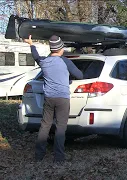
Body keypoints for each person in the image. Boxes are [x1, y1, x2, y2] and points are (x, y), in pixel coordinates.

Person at [24, 35, 83, 163]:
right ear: (60, 48)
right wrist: (68, 78)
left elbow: (36, 56)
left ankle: (39, 156)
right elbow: (79, 74)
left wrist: (31, 44)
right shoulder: (65, 61)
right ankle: (59, 158)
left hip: (49, 98)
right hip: (63, 99)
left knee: (45, 126)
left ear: (51, 49)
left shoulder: (44, 61)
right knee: (61, 127)